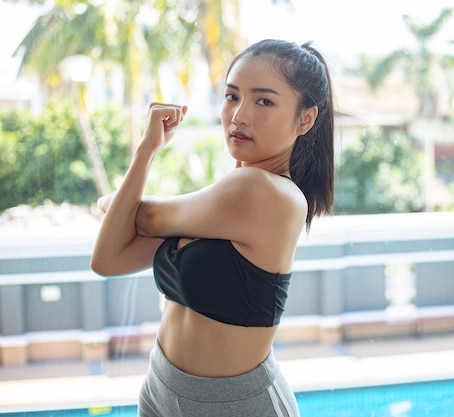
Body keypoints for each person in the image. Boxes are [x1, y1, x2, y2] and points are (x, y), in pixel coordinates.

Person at [91, 39, 335, 417]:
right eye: (232, 96)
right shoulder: (222, 198)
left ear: (306, 119)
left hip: (232, 405)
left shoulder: (262, 192)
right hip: (160, 385)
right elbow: (107, 260)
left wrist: (121, 202)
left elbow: (129, 214)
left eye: (264, 101)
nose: (239, 115)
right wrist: (146, 149)